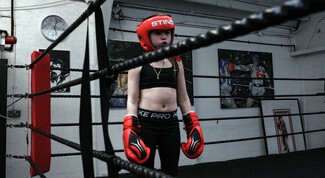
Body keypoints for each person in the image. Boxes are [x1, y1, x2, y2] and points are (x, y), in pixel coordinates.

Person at [122, 14, 204, 176]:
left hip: (171, 124)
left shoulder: (176, 62)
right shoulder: (137, 64)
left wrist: (193, 125)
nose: (164, 37)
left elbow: (183, 97)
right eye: (158, 33)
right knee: (145, 170)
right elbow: (132, 99)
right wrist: (130, 128)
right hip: (147, 124)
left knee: (171, 169)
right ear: (147, 35)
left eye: (167, 32)